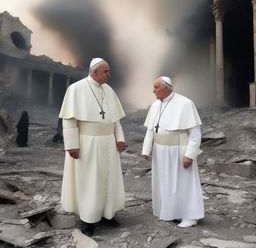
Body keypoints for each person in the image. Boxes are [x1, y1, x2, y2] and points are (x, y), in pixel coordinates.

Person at [59, 58, 126, 236]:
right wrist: (72, 145)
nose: (109, 74)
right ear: (94, 72)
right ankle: (87, 220)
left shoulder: (109, 90)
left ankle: (107, 213)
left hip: (108, 143)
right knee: (89, 181)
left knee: (108, 179)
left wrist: (119, 138)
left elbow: (115, 119)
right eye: (106, 71)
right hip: (87, 142)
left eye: (109, 71)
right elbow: (69, 120)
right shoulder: (76, 89)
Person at [142, 76, 204, 228]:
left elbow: (195, 134)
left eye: (156, 87)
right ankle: (169, 212)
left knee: (184, 184)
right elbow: (151, 130)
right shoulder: (156, 105)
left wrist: (189, 155)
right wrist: (146, 149)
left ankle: (190, 216)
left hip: (179, 151)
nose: (153, 91)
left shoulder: (185, 103)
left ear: (166, 88)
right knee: (164, 183)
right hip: (160, 151)